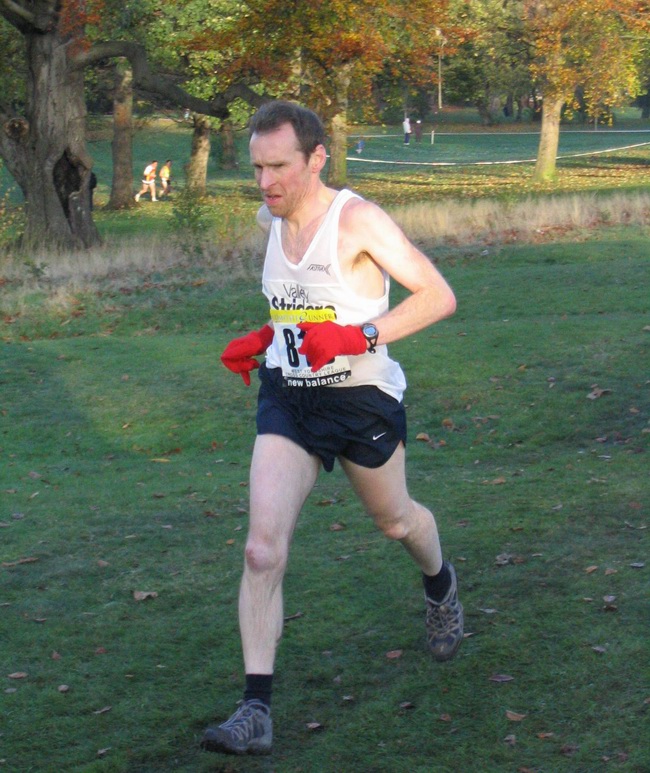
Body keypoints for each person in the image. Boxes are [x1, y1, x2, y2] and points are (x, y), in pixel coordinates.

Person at [201, 101, 463, 757]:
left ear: (316, 158)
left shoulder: (357, 221)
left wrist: (358, 336)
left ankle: (440, 583)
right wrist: (269, 338)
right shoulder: (269, 218)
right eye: (257, 168)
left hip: (361, 400)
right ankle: (255, 709)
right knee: (261, 550)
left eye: (279, 167)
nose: (266, 183)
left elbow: (438, 296)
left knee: (396, 521)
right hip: (290, 400)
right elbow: (298, 307)